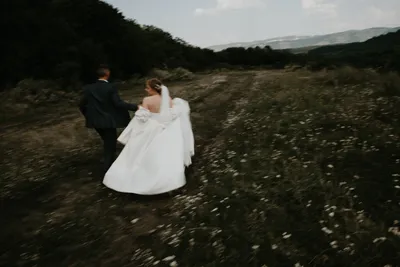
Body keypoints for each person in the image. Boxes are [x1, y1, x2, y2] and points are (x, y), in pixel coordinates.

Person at [103, 78, 194, 195]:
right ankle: (167, 181)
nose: (146, 90)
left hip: (151, 129)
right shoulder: (168, 99)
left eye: (147, 88)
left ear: (152, 89)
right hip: (166, 129)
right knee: (166, 155)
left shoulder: (147, 100)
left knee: (140, 154)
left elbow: (142, 117)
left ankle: (139, 180)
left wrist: (140, 112)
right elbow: (172, 115)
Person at [79, 65, 138, 173]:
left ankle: (109, 163)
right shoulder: (110, 87)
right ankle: (108, 171)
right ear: (107, 74)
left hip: (95, 122)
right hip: (108, 122)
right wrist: (135, 107)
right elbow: (118, 103)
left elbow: (81, 104)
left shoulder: (88, 88)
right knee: (110, 146)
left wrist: (88, 115)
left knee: (107, 142)